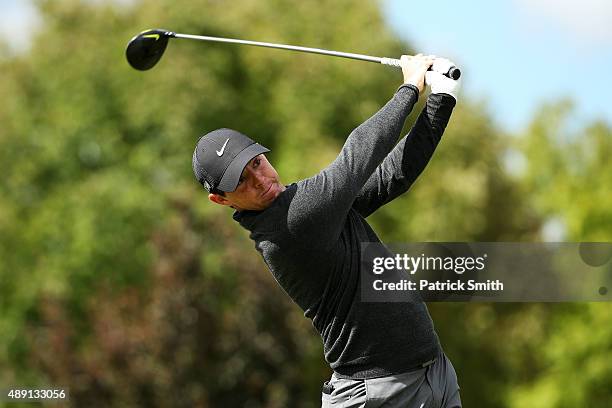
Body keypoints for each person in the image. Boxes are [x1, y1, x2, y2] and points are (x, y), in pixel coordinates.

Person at [192, 54, 462, 407]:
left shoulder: (312, 208)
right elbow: (359, 154)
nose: (260, 180)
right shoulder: (290, 224)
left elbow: (393, 176)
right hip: (380, 396)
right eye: (241, 181)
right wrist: (410, 87)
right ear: (221, 200)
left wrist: (441, 101)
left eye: (256, 163)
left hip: (432, 375)